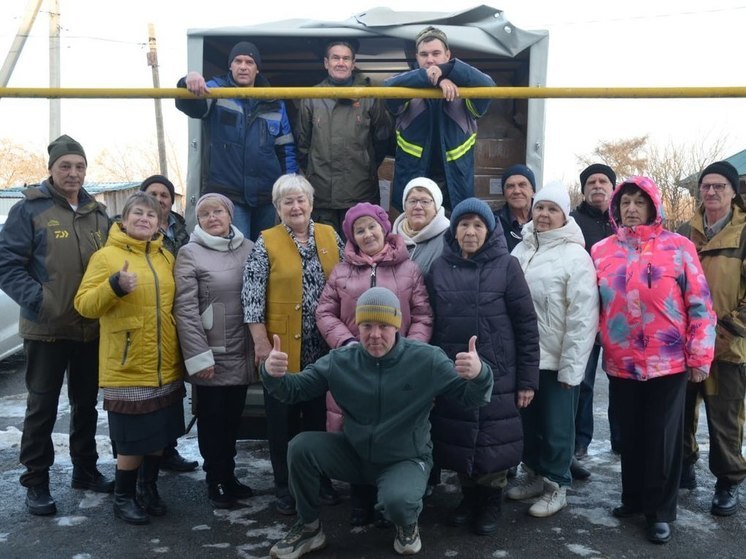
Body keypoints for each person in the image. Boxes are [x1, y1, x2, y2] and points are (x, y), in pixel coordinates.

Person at [264, 286, 494, 559]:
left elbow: (471, 399)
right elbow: (294, 390)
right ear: (357, 327)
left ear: (397, 325)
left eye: (384, 325)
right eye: (367, 325)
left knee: (399, 503)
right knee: (301, 447)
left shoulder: (426, 359)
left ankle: (407, 524)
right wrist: (271, 373)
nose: (374, 335)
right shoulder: (340, 361)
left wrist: (479, 374)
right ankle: (309, 528)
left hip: (404, 458)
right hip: (354, 452)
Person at [592, 176, 716, 544]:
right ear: (616, 208)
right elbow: (591, 305)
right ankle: (632, 498)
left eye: (639, 202)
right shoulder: (601, 250)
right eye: (625, 202)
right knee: (629, 433)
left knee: (662, 437)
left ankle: (660, 511)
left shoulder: (678, 247)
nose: (632, 208)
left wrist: (699, 355)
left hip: (669, 361)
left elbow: (700, 304)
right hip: (621, 361)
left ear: (653, 207)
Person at [0, 135, 113, 516]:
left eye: (79, 167)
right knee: (42, 407)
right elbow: (6, 265)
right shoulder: (29, 210)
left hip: (89, 328)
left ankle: (85, 469)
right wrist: (40, 301)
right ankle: (36, 482)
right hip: (46, 328)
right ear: (51, 168)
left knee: (86, 405)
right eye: (66, 166)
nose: (73, 173)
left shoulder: (98, 213)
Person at [315, 201, 433, 525]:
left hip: (399, 366)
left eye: (372, 227)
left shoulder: (408, 269)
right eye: (359, 230)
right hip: (354, 364)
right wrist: (347, 343)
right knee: (353, 426)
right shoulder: (341, 271)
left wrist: (410, 351)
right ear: (352, 237)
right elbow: (324, 312)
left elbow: (422, 315)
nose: (367, 234)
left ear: (384, 227)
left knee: (391, 429)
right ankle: (360, 497)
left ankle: (389, 496)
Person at [427, 197, 539, 534]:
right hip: (453, 368)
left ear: (489, 230)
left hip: (499, 369)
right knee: (459, 433)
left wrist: (527, 380)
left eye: (478, 225)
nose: (470, 231)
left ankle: (491, 498)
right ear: (454, 230)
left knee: (492, 434)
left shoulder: (507, 266)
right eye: (464, 224)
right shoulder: (440, 268)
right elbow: (430, 322)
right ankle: (469, 495)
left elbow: (526, 325)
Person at [74, 192, 186, 525]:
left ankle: (147, 489)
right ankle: (123, 498)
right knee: (132, 440)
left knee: (157, 435)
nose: (144, 220)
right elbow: (84, 304)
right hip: (128, 364)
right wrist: (114, 286)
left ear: (158, 224)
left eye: (151, 216)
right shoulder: (106, 257)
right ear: (123, 219)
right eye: (138, 213)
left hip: (164, 362)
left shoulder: (166, 257)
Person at [242, 174, 343, 515]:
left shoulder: (330, 235)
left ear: (311, 204)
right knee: (282, 423)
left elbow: (345, 281)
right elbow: (252, 298)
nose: (296, 207)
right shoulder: (265, 241)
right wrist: (260, 344)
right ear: (277, 208)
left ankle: (320, 480)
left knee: (318, 421)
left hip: (323, 351)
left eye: (301, 200)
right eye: (288, 201)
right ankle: (285, 486)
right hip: (281, 350)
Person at [508, 182, 599, 517]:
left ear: (564, 215)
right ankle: (532, 473)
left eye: (552, 209)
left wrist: (572, 368)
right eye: (540, 208)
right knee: (526, 422)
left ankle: (556, 485)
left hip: (557, 359)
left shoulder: (575, 256)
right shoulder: (520, 250)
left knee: (557, 425)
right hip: (524, 358)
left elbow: (583, 317)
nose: (544, 215)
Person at [174, 193, 256, 509]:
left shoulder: (250, 248)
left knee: (233, 420)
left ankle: (229, 476)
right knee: (211, 421)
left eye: (218, 211)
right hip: (211, 353)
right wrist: (199, 357)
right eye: (205, 213)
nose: (212, 217)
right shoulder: (190, 253)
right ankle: (215, 481)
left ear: (230, 214)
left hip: (241, 350)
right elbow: (185, 308)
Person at [175, 41, 297, 241]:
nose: (243, 66)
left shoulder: (274, 102)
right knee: (237, 250)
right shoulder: (215, 90)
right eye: (238, 61)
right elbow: (191, 106)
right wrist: (188, 81)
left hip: (267, 195)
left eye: (249, 62)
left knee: (265, 251)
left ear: (257, 69)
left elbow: (286, 150)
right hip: (229, 195)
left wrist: (290, 185)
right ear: (230, 66)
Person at [678, 160, 746, 516]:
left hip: (726, 347)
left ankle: (727, 482)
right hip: (683, 345)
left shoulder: (744, 233)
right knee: (681, 412)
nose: (712, 192)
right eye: (706, 186)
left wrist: (724, 328)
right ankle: (684, 466)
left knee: (725, 418)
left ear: (734, 192)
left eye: (720, 186)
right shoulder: (682, 231)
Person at [384, 26, 495, 212]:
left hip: (454, 190)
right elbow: (388, 89)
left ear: (447, 55)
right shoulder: (405, 88)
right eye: (424, 54)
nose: (430, 60)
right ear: (416, 57)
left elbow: (489, 87)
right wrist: (430, 79)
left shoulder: (465, 90)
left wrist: (447, 71)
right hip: (414, 190)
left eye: (436, 53)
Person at [295, 40, 392, 237]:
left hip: (360, 194)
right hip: (321, 196)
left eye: (346, 58)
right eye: (336, 58)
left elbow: (382, 140)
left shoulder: (369, 95)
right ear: (326, 63)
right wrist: (315, 173)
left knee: (362, 253)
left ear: (353, 63)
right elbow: (302, 145)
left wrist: (366, 166)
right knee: (326, 255)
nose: (341, 63)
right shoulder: (311, 97)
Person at [139, 174, 197, 473]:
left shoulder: (181, 229)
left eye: (165, 195)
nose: (159, 199)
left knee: (173, 388)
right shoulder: (134, 225)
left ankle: (168, 450)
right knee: (148, 393)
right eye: (153, 193)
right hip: (145, 316)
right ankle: (142, 455)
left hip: (175, 315)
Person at [570, 163, 620, 480]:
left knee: (622, 381)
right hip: (585, 314)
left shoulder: (624, 222)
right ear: (584, 189)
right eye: (591, 181)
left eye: (603, 181)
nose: (597, 185)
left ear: (613, 188)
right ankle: (579, 442)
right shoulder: (574, 223)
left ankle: (622, 440)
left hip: (620, 317)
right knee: (582, 381)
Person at [392, 177, 450, 275]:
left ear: (436, 208)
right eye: (412, 201)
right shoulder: (391, 240)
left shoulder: (449, 239)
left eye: (425, 201)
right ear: (404, 206)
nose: (418, 207)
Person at [495, 164, 535, 251]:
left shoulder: (545, 220)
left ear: (533, 191)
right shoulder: (494, 223)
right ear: (504, 193)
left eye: (522, 185)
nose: (516, 191)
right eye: (510, 186)